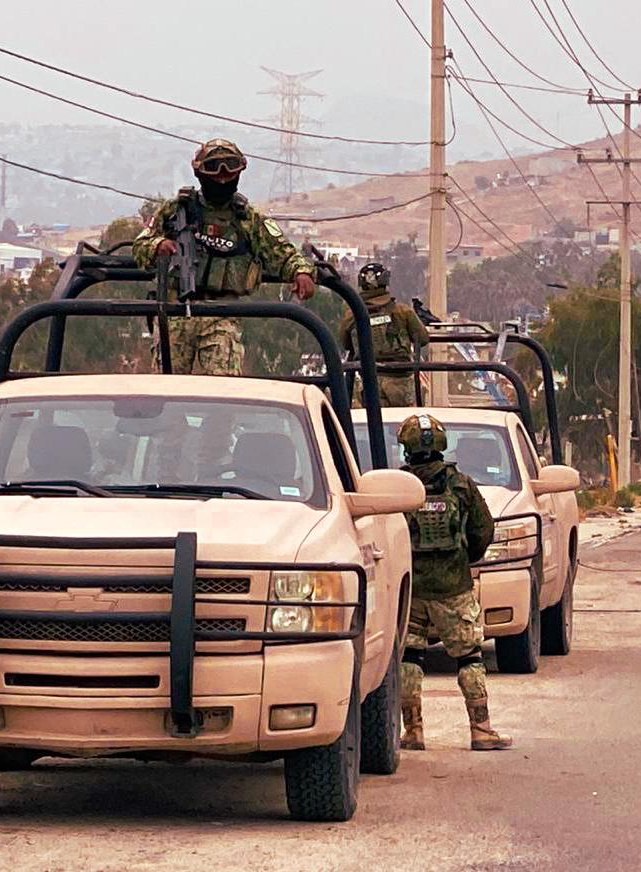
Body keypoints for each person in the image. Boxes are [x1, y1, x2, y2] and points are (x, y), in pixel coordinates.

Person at [133, 138, 317, 376]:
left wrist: (301, 272)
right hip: (174, 312)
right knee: (167, 391)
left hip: (221, 315)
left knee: (224, 387)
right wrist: (158, 245)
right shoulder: (176, 210)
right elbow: (140, 245)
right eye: (214, 169)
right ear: (200, 173)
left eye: (230, 170)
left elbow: (281, 251)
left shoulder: (247, 218)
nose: (222, 177)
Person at [397, 413, 510, 752]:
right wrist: (463, 560)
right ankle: (481, 729)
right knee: (470, 657)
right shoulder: (460, 484)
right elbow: (483, 530)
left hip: (411, 588)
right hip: (454, 587)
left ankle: (412, 731)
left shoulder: (400, 487)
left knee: (410, 657)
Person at [338, 262, 429, 407]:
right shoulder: (403, 312)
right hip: (401, 380)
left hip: (367, 380)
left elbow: (345, 343)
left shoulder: (351, 316)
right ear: (385, 281)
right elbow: (423, 338)